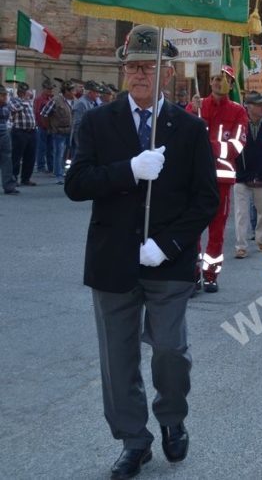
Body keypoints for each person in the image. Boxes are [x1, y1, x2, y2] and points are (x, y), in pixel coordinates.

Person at [64, 25, 218, 480]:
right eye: (132, 66)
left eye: (149, 67)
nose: (138, 74)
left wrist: (168, 244)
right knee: (118, 359)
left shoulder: (189, 128)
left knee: (170, 350)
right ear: (123, 70)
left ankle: (172, 417)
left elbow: (205, 199)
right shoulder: (97, 122)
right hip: (112, 259)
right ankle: (134, 440)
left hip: (167, 261)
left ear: (167, 72)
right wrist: (127, 170)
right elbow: (76, 184)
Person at [197, 67, 248, 292]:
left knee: (216, 231)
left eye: (226, 80)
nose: (220, 83)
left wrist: (207, 147)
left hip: (221, 181)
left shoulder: (238, 111)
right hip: (196, 178)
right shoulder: (196, 106)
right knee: (192, 228)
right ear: (210, 82)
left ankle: (210, 275)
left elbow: (236, 146)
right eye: (217, 79)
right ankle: (191, 273)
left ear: (231, 84)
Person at [232, 93, 262, 260]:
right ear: (248, 107)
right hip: (242, 177)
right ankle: (241, 246)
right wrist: (242, 174)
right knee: (241, 214)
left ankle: (261, 240)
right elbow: (235, 152)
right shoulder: (239, 126)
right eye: (259, 105)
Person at [41, 79, 75, 184]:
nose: (74, 92)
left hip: (70, 131)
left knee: (67, 155)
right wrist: (49, 127)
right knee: (58, 154)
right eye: (72, 90)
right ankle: (58, 175)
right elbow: (44, 114)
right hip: (59, 131)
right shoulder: (55, 100)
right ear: (66, 91)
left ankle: (64, 172)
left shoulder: (74, 101)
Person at [9, 81, 38, 187]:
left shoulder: (29, 101)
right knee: (16, 156)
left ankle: (26, 178)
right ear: (20, 92)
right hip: (19, 131)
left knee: (30, 156)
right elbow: (14, 109)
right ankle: (13, 178)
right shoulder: (14, 100)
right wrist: (25, 100)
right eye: (26, 91)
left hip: (32, 131)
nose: (28, 93)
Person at [34, 78, 55, 173]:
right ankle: (41, 166)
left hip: (50, 127)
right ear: (44, 89)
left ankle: (51, 166)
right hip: (43, 127)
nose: (50, 91)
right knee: (41, 148)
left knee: (51, 148)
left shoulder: (51, 98)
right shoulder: (39, 99)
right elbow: (38, 113)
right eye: (49, 89)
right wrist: (43, 125)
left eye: (51, 89)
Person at [0, 86, 16, 194]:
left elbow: (11, 115)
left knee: (7, 158)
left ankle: (9, 186)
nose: (5, 97)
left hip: (4, 131)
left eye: (5, 95)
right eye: (3, 95)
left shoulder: (6, 105)